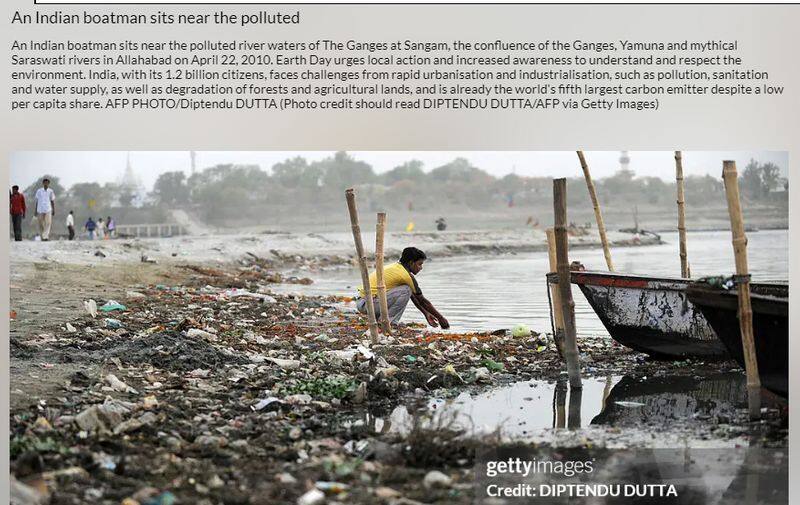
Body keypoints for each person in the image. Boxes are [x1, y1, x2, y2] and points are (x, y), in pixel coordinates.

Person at [356, 247, 449, 329]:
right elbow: (423, 301)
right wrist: (440, 318)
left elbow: (413, 296)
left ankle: (390, 322)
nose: (421, 268)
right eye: (419, 264)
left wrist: (426, 314)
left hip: (365, 302)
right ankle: (386, 321)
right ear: (411, 263)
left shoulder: (397, 267)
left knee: (407, 290)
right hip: (367, 304)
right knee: (406, 290)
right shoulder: (405, 275)